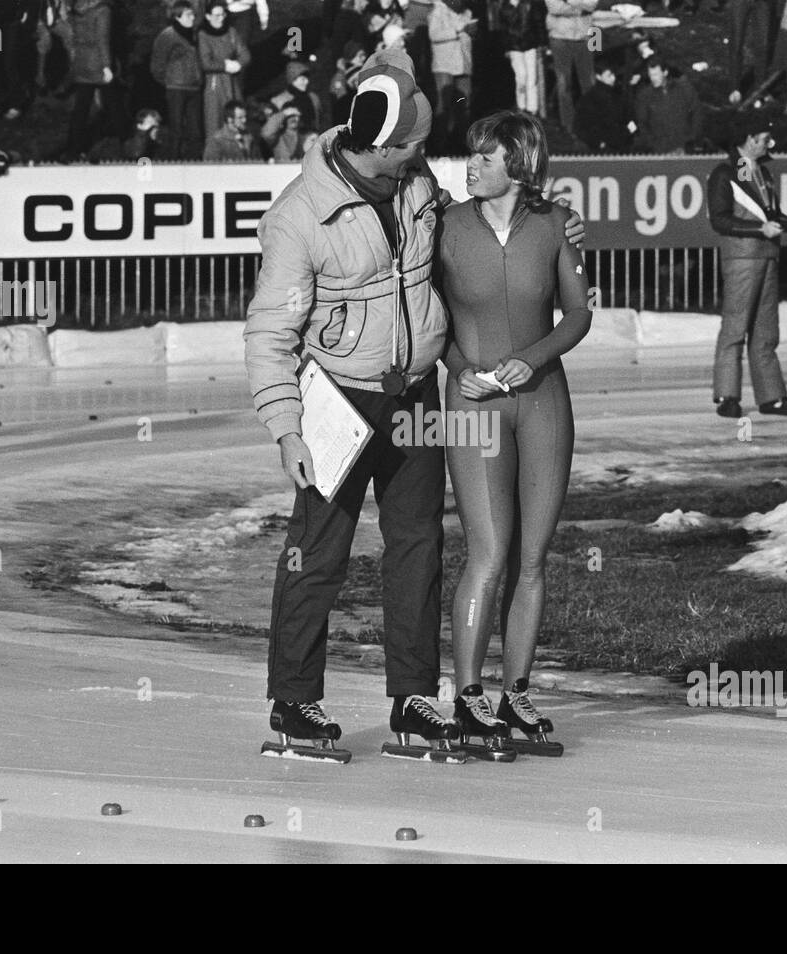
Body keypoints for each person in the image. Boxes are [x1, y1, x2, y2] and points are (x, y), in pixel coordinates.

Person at [242, 47, 585, 761]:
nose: (431, 157)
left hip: (415, 395)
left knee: (419, 545)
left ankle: (414, 700)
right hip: (338, 398)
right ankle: (294, 701)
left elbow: (484, 229)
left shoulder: (414, 183)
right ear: (384, 144)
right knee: (319, 552)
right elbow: (270, 332)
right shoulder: (300, 216)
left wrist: (562, 227)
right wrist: (285, 428)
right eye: (417, 145)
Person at [439, 110, 590, 756]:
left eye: (485, 158)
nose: (470, 166)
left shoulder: (555, 226)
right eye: (470, 156)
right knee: (490, 552)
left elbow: (579, 313)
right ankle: (469, 695)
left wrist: (535, 356)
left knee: (533, 558)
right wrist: (458, 367)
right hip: (475, 402)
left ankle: (517, 692)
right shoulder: (446, 228)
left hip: (544, 401)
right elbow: (429, 318)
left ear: (519, 165)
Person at [706, 114, 787, 418]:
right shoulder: (724, 174)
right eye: (765, 138)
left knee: (766, 331)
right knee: (735, 327)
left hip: (767, 254)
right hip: (742, 257)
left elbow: (770, 215)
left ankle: (773, 397)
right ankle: (727, 396)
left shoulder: (763, 173)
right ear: (750, 139)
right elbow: (720, 219)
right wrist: (759, 231)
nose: (769, 143)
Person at [65, 0, 123, 160]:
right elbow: (102, 39)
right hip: (97, 63)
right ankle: (127, 144)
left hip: (82, 61)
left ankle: (73, 149)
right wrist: (106, 66)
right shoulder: (103, 10)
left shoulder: (77, 8)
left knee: (81, 107)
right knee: (114, 104)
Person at [151, 1, 205, 159]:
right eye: (188, 15)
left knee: (195, 130)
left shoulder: (194, 33)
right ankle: (173, 160)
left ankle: (194, 161)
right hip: (176, 88)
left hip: (194, 87)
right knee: (176, 129)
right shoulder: (168, 35)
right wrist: (169, 80)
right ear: (178, 17)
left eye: (193, 14)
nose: (192, 18)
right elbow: (157, 64)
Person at [198, 1, 250, 140]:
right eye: (216, 15)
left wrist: (238, 64)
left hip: (232, 82)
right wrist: (224, 66)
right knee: (214, 119)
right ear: (208, 16)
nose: (221, 18)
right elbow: (206, 62)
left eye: (223, 14)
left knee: (236, 116)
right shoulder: (203, 35)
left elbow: (244, 54)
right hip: (214, 83)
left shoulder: (231, 32)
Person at [633, 56, 702, 155]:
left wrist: (691, 139)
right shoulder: (645, 95)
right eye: (650, 75)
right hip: (659, 151)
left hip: (684, 148)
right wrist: (653, 145)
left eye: (656, 74)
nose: (652, 78)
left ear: (665, 72)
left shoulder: (684, 90)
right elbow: (642, 123)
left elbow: (697, 113)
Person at [545, 0, 596, 133]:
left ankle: (591, 121)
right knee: (563, 84)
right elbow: (554, 7)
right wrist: (580, 8)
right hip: (559, 38)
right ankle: (568, 125)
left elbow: (592, 4)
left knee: (589, 83)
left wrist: (570, 2)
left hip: (586, 37)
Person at [574, 56, 633, 153]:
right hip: (603, 149)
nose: (613, 78)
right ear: (598, 76)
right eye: (609, 75)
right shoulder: (590, 100)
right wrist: (598, 143)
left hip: (618, 145)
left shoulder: (618, 95)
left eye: (613, 74)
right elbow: (581, 128)